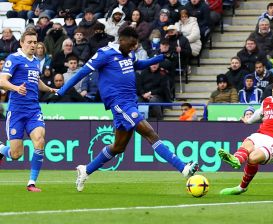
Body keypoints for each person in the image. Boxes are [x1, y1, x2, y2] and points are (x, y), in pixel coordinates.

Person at [47, 27, 198, 192]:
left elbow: (138, 64)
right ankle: (183, 168)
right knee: (150, 133)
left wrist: (161, 57)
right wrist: (60, 92)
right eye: (131, 45)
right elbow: (82, 73)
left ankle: (86, 169)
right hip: (118, 103)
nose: (133, 48)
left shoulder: (129, 53)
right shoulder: (104, 53)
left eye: (135, 45)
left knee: (118, 147)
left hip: (130, 102)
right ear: (122, 40)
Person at [0, 30, 56, 192]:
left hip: (33, 111)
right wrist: (15, 88)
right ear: (22, 43)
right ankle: (2, 149)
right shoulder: (14, 59)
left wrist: (49, 89)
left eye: (35, 42)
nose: (33, 45)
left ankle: (31, 182)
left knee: (40, 140)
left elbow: (36, 81)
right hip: (16, 112)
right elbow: (2, 81)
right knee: (16, 154)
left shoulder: (35, 62)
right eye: (30, 42)